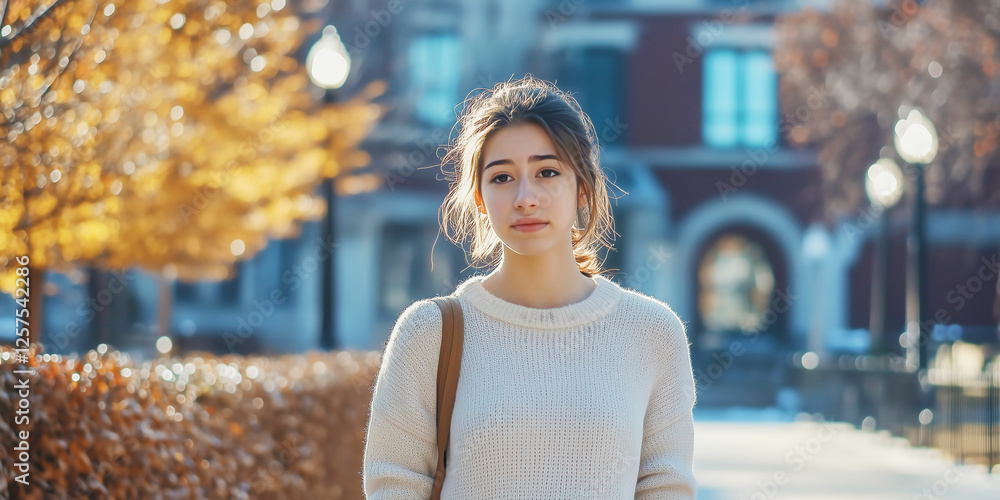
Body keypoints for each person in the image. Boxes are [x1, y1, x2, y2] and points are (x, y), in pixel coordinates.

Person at [362, 75, 697, 499]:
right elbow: (395, 483)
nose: (525, 197)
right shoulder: (430, 333)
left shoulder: (652, 332)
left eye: (547, 171)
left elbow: (666, 486)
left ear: (583, 188)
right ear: (480, 199)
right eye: (501, 177)